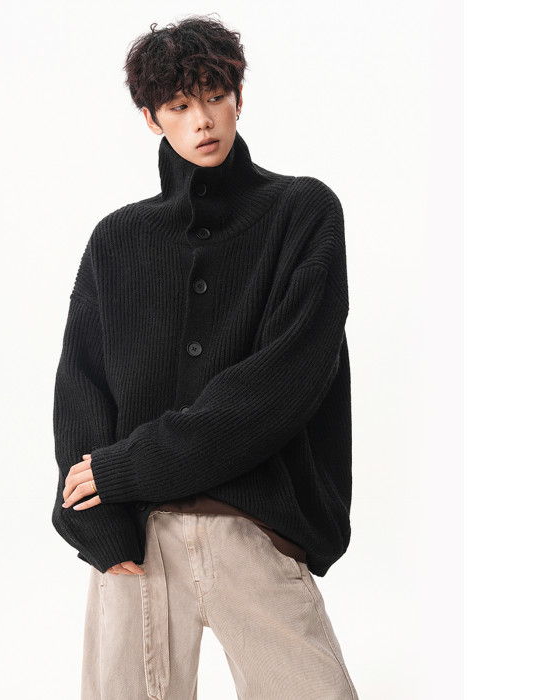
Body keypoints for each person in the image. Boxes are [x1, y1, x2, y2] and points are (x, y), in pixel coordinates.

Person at [52, 13, 359, 700]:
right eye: (179, 106)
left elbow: (282, 384)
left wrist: (132, 464)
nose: (202, 121)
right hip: (136, 539)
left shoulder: (302, 212)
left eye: (215, 96)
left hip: (252, 528)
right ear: (150, 118)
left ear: (239, 97)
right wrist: (94, 522)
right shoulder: (117, 240)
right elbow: (82, 385)